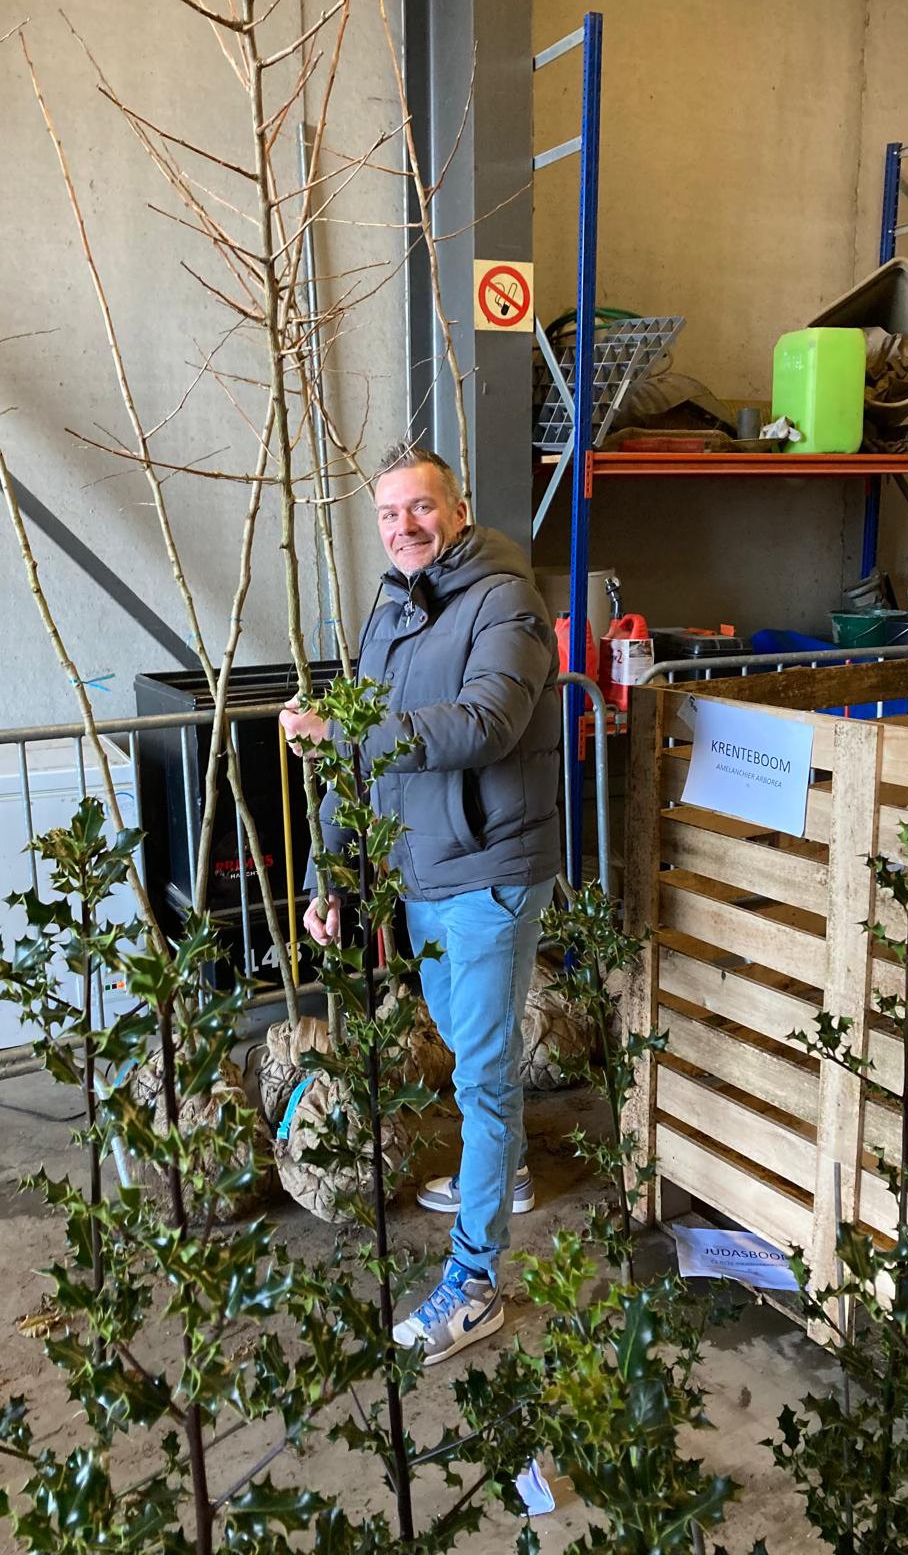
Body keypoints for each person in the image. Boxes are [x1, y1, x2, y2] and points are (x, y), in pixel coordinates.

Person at [279, 442, 560, 1367]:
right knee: (471, 1056)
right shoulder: (394, 609)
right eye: (390, 515)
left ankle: (475, 1283)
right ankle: (503, 1171)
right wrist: (334, 874)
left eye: (421, 508)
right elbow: (357, 752)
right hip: (422, 873)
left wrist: (352, 728)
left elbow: (490, 721)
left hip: (489, 867)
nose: (405, 527)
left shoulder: (505, 598)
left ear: (459, 504)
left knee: (480, 1076)